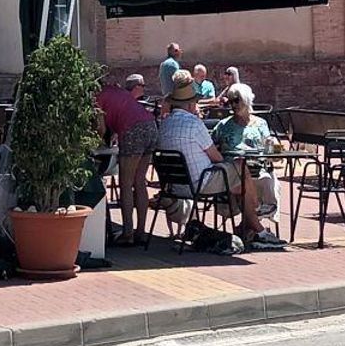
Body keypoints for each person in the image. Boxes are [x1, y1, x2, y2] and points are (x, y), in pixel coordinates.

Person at [158, 70, 267, 244]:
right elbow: (216, 157)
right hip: (200, 183)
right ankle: (258, 222)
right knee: (240, 169)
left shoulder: (165, 124)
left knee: (236, 181)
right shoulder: (194, 124)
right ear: (191, 104)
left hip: (174, 186)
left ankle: (250, 223)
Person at [210, 85, 280, 243]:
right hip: (233, 172)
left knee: (267, 181)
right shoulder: (223, 125)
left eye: (237, 101)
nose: (233, 105)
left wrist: (274, 146)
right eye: (230, 101)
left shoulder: (261, 124)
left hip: (258, 169)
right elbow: (212, 148)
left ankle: (247, 228)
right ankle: (255, 226)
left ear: (247, 101)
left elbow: (270, 148)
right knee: (242, 183)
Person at [96, 71, 158, 246]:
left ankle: (127, 233)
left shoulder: (97, 97)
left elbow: (100, 129)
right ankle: (141, 232)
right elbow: (123, 111)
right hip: (150, 125)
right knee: (140, 182)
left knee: (125, 183)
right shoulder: (117, 91)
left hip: (133, 131)